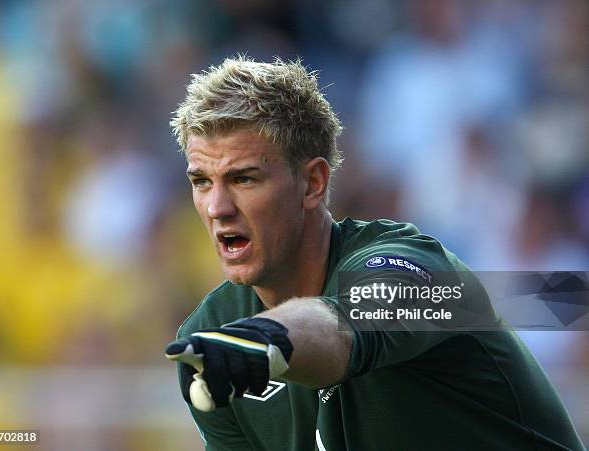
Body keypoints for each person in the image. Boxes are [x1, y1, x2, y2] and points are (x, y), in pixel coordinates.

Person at [165, 56, 584, 451]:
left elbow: (342, 328)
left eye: (243, 178)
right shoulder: (211, 335)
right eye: (201, 181)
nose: (217, 207)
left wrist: (269, 341)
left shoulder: (414, 268)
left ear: (313, 183)